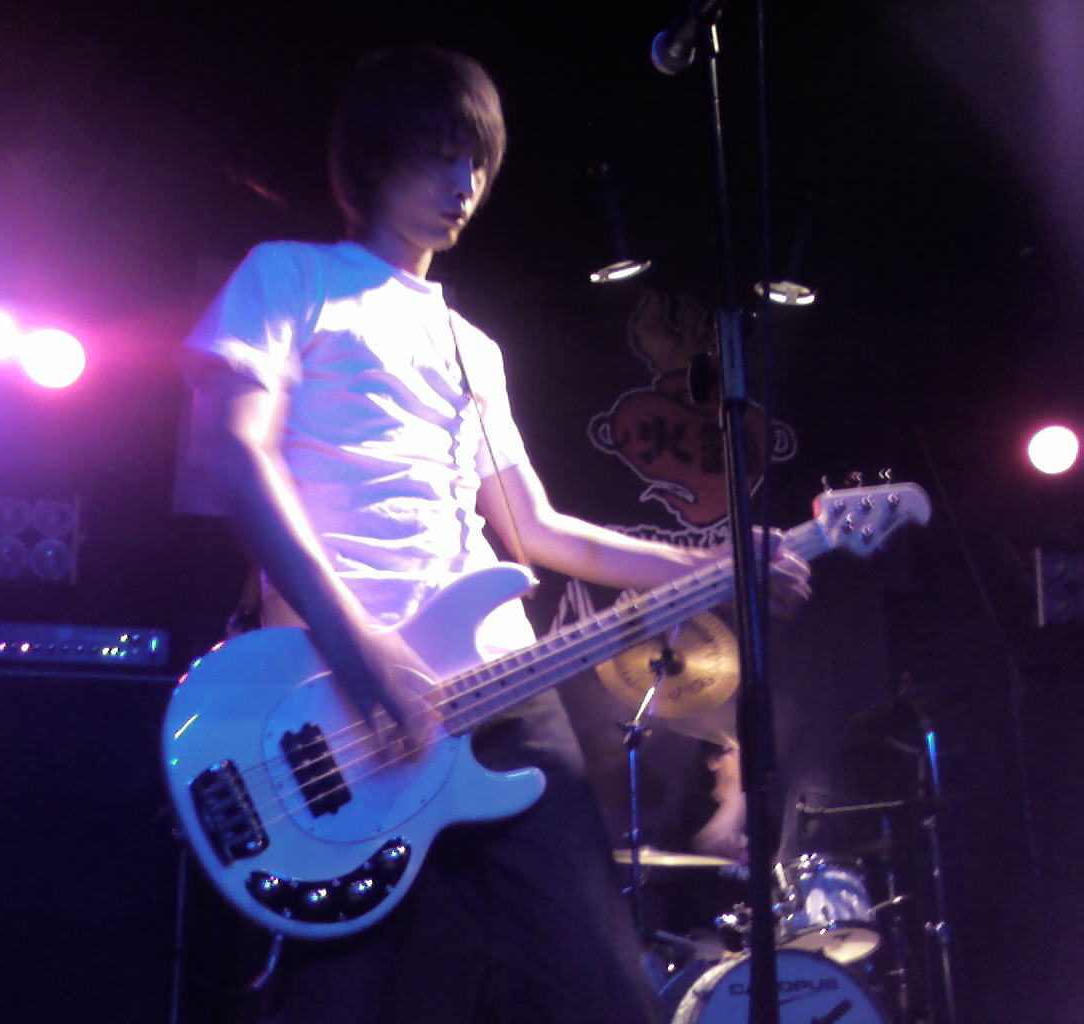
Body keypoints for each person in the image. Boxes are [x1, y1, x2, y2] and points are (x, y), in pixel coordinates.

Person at [180, 45, 810, 1024]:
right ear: (374, 156)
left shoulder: (473, 348)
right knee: (341, 1000)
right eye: (442, 154)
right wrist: (361, 647)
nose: (465, 183)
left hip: (501, 691)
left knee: (600, 992)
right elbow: (236, 454)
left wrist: (713, 564)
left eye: (477, 161)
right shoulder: (290, 277)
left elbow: (536, 527)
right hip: (337, 694)